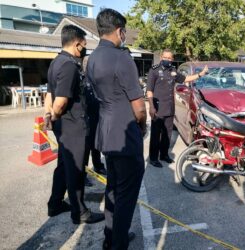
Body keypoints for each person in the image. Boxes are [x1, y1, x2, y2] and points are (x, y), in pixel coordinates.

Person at [86, 9, 147, 250]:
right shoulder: (122, 58)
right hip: (124, 133)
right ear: (120, 31)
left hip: (105, 131)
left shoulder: (92, 59)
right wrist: (142, 127)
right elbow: (139, 107)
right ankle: (118, 243)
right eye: (125, 32)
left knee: (113, 188)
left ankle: (110, 237)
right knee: (126, 195)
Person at [44, 24, 104, 225]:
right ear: (77, 44)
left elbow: (49, 93)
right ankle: (80, 212)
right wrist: (54, 113)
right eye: (84, 45)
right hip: (73, 128)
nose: (85, 48)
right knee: (76, 170)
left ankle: (55, 204)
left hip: (64, 127)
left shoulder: (56, 62)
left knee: (64, 166)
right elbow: (59, 101)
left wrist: (48, 114)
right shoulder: (69, 65)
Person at [147, 49, 208, 168]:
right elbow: (149, 90)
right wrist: (151, 106)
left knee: (167, 134)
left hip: (170, 108)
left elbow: (185, 79)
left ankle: (163, 155)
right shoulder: (154, 71)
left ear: (172, 59)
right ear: (161, 57)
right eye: (166, 58)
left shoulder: (173, 70)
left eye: (170, 58)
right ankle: (153, 158)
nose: (168, 60)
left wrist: (200, 74)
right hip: (158, 107)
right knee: (155, 135)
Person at [82, 56, 107, 177]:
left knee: (96, 144)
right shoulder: (81, 79)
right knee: (85, 149)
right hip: (86, 119)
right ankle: (84, 173)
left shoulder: (98, 80)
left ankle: (98, 166)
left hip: (98, 117)